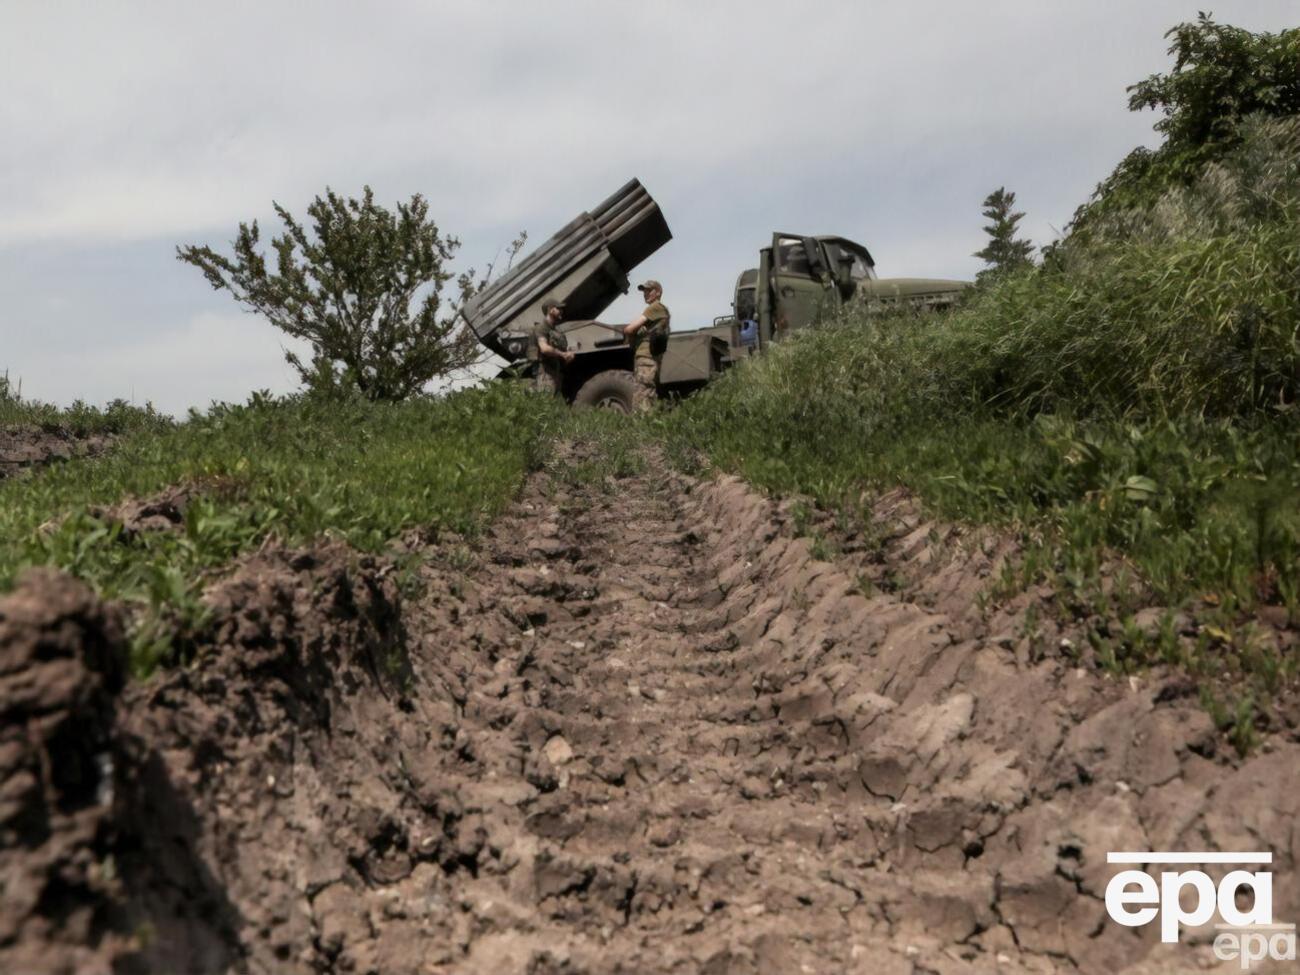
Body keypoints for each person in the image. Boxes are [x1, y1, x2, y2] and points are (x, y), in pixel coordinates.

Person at [622, 279, 670, 411]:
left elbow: (629, 329)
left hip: (646, 356)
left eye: (649, 290)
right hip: (649, 355)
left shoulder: (655, 308)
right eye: (644, 291)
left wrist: (630, 332)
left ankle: (641, 425)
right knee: (647, 392)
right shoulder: (658, 310)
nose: (645, 293)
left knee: (643, 392)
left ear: (658, 292)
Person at [532, 297, 574, 396]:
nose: (561, 311)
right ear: (550, 310)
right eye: (558, 308)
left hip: (556, 373)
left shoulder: (556, 331)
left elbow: (560, 350)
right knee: (545, 407)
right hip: (546, 374)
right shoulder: (541, 328)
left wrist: (568, 355)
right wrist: (563, 354)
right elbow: (544, 348)